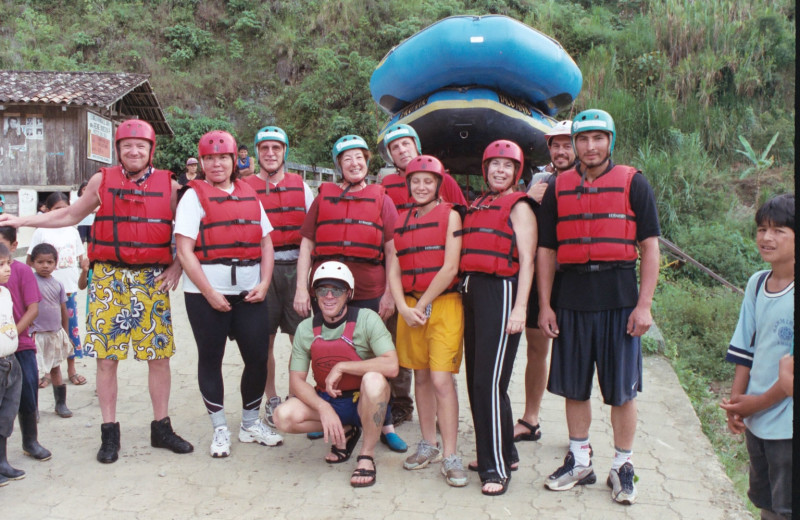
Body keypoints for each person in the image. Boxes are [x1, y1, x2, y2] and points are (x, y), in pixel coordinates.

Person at [0, 119, 193, 464]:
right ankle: (109, 433)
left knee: (158, 357)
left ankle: (161, 427)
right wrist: (22, 222)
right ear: (118, 149)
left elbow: (189, 232)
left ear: (151, 150)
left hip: (151, 280)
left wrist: (178, 264)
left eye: (141, 146)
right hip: (107, 279)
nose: (134, 151)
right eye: (127, 145)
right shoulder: (101, 180)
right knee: (107, 358)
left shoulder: (171, 185)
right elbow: (70, 215)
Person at [537, 109, 660, 505]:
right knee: (574, 387)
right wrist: (545, 305)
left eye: (598, 138)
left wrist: (644, 306)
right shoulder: (558, 187)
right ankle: (579, 459)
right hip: (571, 298)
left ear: (610, 140)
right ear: (574, 144)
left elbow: (650, 248)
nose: (591, 147)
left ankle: (622, 465)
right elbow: (546, 251)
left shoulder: (633, 183)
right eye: (583, 139)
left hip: (619, 298)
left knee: (622, 392)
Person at [293, 134, 407, 452]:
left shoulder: (381, 199)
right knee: (326, 351)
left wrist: (388, 294)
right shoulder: (323, 198)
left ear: (367, 161)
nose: (354, 163)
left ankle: (384, 423)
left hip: (370, 286)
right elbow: (307, 244)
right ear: (339, 165)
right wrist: (302, 287)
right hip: (328, 289)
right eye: (347, 158)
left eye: (359, 157)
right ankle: (331, 414)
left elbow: (392, 249)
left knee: (375, 355)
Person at [175, 129, 282, 458]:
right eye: (209, 158)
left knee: (257, 357)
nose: (216, 163)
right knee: (211, 359)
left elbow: (266, 242)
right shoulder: (193, 195)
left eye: (223, 157)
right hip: (205, 295)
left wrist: (264, 283)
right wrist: (208, 292)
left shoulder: (250, 192)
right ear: (202, 162)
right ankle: (220, 426)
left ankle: (250, 422)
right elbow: (184, 250)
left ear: (235, 160)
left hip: (249, 292)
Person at [274, 262, 399, 488]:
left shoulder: (367, 319)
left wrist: (342, 367)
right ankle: (345, 430)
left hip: (363, 402)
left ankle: (366, 455)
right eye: (322, 290)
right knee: (282, 417)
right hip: (329, 399)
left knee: (373, 380)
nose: (329, 296)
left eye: (337, 290)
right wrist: (324, 409)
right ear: (315, 294)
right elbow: (296, 382)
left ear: (348, 294)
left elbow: (392, 366)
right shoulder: (305, 328)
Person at [459, 140, 536, 496]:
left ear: (516, 172)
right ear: (485, 169)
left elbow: (528, 261)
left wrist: (520, 308)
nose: (500, 171)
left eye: (507, 166)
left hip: (502, 292)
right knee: (479, 380)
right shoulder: (478, 203)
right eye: (494, 165)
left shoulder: (519, 206)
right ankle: (504, 449)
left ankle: (496, 468)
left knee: (488, 384)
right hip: (473, 292)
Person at [386, 155, 467, 487]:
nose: (421, 186)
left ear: (438, 184)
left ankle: (450, 454)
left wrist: (423, 303)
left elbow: (450, 267)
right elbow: (393, 265)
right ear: (408, 184)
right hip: (410, 306)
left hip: (443, 305)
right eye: (415, 181)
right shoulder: (400, 219)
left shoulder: (451, 216)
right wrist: (404, 308)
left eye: (427, 181)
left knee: (440, 380)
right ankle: (427, 444)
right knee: (420, 377)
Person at [720, 194, 794, 520]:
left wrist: (755, 403)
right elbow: (744, 349)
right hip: (756, 423)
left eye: (779, 230)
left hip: (787, 428)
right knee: (765, 503)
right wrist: (737, 403)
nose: (766, 238)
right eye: (762, 229)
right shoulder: (757, 283)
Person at [243, 126, 314, 427]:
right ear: (257, 152)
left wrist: (307, 281)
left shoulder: (302, 185)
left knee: (301, 338)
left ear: (285, 151)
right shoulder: (245, 187)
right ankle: (270, 396)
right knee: (265, 340)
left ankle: (294, 394)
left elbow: (313, 232)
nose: (270, 154)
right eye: (264, 149)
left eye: (276, 148)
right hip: (262, 270)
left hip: (297, 267)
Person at [514, 120, 576, 444]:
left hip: (575, 277)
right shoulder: (540, 179)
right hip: (544, 274)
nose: (562, 151)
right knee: (537, 348)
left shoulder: (589, 181)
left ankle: (579, 433)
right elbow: (524, 225)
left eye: (568, 144)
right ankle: (530, 419)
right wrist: (528, 197)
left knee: (576, 354)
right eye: (556, 144)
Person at [28, 192, 89, 389]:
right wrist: (45, 268)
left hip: (69, 289)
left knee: (70, 330)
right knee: (45, 331)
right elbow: (30, 259)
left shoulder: (73, 231)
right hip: (43, 291)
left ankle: (71, 369)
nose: (61, 213)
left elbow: (81, 260)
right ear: (47, 210)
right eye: (57, 209)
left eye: (65, 208)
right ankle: (47, 372)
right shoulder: (42, 231)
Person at [0, 227, 50, 462]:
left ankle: (30, 441)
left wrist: (12, 336)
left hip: (20, 344)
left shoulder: (21, 272)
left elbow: (33, 309)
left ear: (13, 245)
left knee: (28, 392)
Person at [28, 244, 73, 418]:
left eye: (49, 262)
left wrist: (66, 335)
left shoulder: (58, 285)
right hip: (36, 335)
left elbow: (63, 311)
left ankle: (60, 404)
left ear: (56, 263)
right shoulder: (30, 282)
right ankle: (33, 409)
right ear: (32, 263)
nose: (45, 266)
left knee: (55, 369)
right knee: (35, 373)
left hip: (54, 334)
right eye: (40, 262)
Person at [0, 242, 26, 485]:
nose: (7, 269)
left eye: (8, 263)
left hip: (11, 362)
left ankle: (2, 461)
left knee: (7, 415)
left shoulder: (5, 293)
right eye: (1, 265)